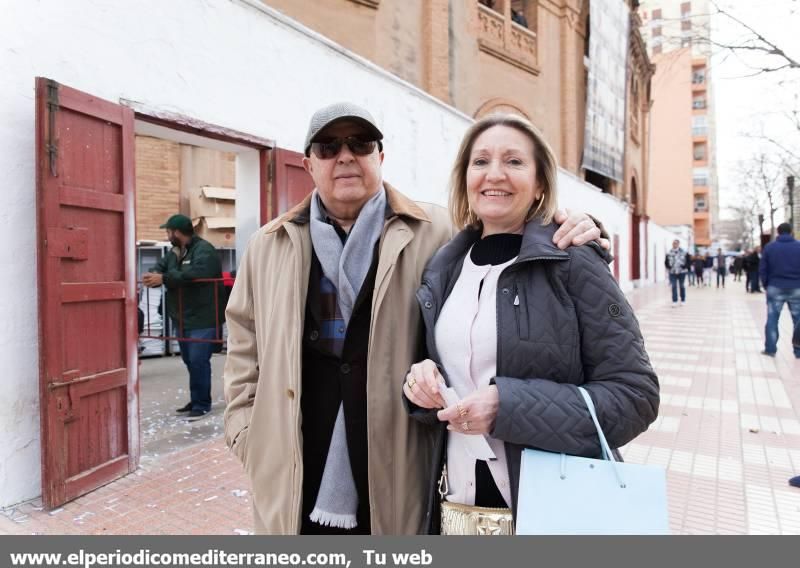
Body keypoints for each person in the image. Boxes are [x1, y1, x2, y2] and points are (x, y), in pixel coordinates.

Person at [221, 102, 606, 535]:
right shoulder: (268, 246)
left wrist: (575, 222)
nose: (345, 156)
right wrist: (247, 434)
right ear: (309, 165)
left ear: (380, 158)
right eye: (328, 147)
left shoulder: (438, 231)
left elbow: (511, 223)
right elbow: (243, 344)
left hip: (398, 466)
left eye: (360, 144)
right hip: (293, 463)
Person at [402, 114, 659, 535]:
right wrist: (418, 384)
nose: (494, 174)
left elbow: (635, 397)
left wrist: (509, 406)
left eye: (514, 162)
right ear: (465, 177)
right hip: (457, 504)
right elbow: (436, 367)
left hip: (552, 507)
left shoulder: (575, 261)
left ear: (540, 183)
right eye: (480, 161)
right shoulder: (444, 267)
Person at [143, 214, 223, 419]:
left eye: (168, 232)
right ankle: (196, 399)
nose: (167, 235)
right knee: (189, 360)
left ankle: (202, 404)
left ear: (177, 232)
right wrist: (153, 274)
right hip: (182, 316)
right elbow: (160, 266)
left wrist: (165, 278)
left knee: (198, 360)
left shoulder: (204, 250)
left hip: (202, 316)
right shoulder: (175, 252)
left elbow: (196, 273)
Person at [758, 223, 800, 358]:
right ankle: (798, 350)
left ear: (778, 232)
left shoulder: (770, 248)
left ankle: (770, 349)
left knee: (772, 319)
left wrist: (766, 285)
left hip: (775, 286)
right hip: (797, 287)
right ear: (791, 231)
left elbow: (763, 269)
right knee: (798, 320)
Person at [665, 239, 688, 307]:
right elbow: (666, 261)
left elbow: (688, 261)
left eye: (676, 243)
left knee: (681, 286)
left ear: (678, 244)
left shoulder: (684, 252)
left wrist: (684, 267)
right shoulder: (669, 252)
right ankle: (674, 301)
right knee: (674, 286)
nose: (674, 244)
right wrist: (669, 267)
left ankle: (683, 300)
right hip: (672, 272)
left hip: (682, 272)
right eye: (673, 243)